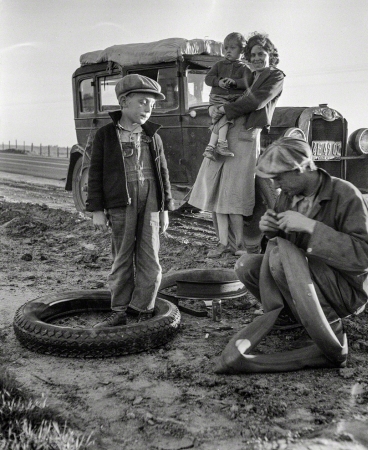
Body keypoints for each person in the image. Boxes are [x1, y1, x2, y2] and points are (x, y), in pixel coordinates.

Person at [214, 137, 368, 373]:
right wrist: (271, 229)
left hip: (344, 289)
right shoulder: (289, 195)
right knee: (246, 265)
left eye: (279, 177)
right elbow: (283, 244)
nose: (275, 184)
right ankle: (292, 318)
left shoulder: (346, 195)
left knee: (281, 261)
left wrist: (310, 227)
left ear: (300, 169)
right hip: (305, 279)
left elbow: (365, 257)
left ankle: (328, 327)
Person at [86, 74, 174, 328]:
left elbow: (163, 174)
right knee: (122, 257)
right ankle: (120, 310)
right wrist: (97, 210)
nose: (148, 109)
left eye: (152, 105)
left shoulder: (152, 136)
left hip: (151, 202)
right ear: (124, 102)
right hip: (120, 202)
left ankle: (142, 310)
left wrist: (166, 209)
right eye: (143, 102)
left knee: (151, 258)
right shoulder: (105, 135)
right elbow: (95, 174)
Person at [189, 32, 285, 258]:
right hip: (225, 130)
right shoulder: (247, 73)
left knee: (235, 193)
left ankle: (240, 245)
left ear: (270, 55)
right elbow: (223, 91)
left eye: (262, 54)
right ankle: (223, 243)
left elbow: (254, 101)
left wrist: (222, 109)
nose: (257, 58)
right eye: (253, 54)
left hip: (244, 136)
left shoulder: (275, 77)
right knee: (216, 189)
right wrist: (213, 109)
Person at [203, 32, 252, 161]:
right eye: (226, 48)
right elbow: (208, 79)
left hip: (232, 100)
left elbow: (248, 82)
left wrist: (235, 82)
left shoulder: (245, 68)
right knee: (225, 117)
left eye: (232, 48)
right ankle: (220, 144)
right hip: (218, 98)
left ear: (241, 51)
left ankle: (210, 147)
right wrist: (218, 82)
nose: (228, 51)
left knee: (223, 118)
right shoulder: (218, 65)